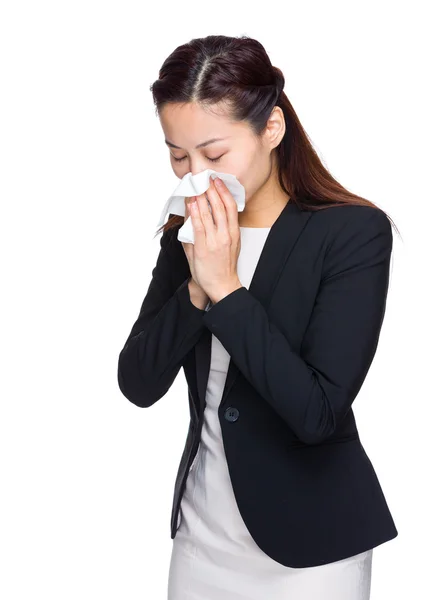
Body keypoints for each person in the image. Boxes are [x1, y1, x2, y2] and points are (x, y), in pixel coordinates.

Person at [117, 34, 400, 600]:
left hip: (313, 549)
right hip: (201, 540)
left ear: (271, 129)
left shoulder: (351, 233)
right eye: (178, 156)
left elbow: (317, 414)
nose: (196, 177)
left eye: (214, 155)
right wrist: (197, 289)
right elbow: (138, 383)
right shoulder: (187, 236)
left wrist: (227, 290)